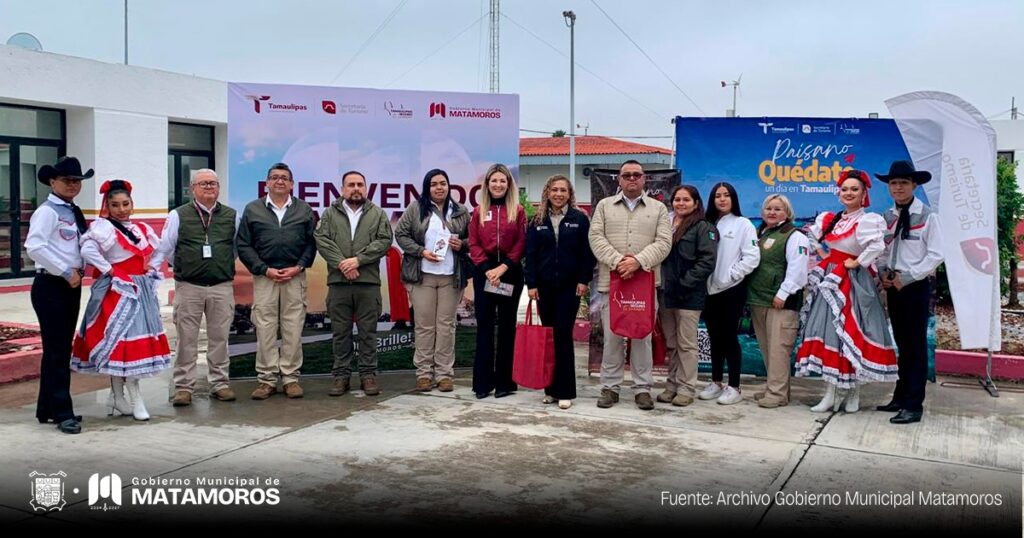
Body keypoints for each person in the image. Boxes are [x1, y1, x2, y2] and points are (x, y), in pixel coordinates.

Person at [795, 169, 898, 412]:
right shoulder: (832, 219)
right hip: (831, 279)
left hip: (853, 281)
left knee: (852, 333)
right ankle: (830, 393)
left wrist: (858, 261)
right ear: (839, 193)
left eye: (854, 189)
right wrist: (823, 255)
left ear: (863, 194)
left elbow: (877, 245)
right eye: (845, 189)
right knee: (830, 332)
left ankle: (854, 393)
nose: (848, 193)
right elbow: (811, 238)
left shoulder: (867, 220)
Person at [71, 180, 172, 421]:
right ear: (107, 205)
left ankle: (118, 396)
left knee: (129, 343)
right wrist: (110, 270)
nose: (121, 209)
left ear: (132, 204)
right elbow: (87, 251)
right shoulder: (103, 228)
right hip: (116, 291)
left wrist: (152, 269)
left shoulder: (141, 229)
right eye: (115, 204)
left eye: (125, 204)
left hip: (139, 289)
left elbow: (160, 250)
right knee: (117, 343)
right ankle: (129, 396)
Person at [150, 168, 239, 407]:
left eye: (213, 183)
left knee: (220, 338)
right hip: (189, 286)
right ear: (192, 189)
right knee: (186, 339)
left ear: (219, 188)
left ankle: (220, 383)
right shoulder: (178, 215)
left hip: (221, 286)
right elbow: (165, 249)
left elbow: (235, 249)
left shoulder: (232, 216)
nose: (209, 187)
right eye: (203, 184)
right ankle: (183, 386)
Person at [588, 160, 672, 411]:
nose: (632, 179)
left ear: (645, 179)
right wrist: (617, 262)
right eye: (627, 175)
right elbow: (595, 237)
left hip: (644, 284)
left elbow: (664, 243)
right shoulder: (604, 206)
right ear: (619, 180)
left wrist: (637, 262)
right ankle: (610, 387)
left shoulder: (658, 208)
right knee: (612, 337)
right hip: (611, 284)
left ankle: (642, 389)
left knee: (642, 337)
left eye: (637, 175)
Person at [237, 162, 317, 400]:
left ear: (292, 184)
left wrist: (299, 266)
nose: (279, 181)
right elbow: (243, 244)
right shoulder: (253, 209)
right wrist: (264, 269)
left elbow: (311, 243)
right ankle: (267, 380)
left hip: (295, 277)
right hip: (265, 278)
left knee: (293, 328)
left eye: (284, 178)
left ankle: (291, 378)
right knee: (265, 329)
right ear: (267, 183)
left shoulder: (303, 209)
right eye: (274, 177)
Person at [26, 156, 91, 434]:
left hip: (68, 286)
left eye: (76, 181)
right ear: (52, 182)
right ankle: (63, 412)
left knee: (59, 349)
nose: (72, 185)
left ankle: (48, 409)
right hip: (52, 285)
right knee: (57, 351)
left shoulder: (72, 211)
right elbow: (34, 247)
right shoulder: (48, 212)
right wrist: (67, 272)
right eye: (66, 180)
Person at [875, 160, 943, 425]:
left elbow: (937, 254)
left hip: (914, 286)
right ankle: (901, 396)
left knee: (915, 346)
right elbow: (881, 249)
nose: (898, 187)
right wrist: (883, 273)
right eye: (894, 183)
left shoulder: (928, 216)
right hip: (893, 285)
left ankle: (914, 405)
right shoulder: (887, 217)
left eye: (904, 182)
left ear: (914, 185)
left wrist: (910, 277)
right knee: (902, 344)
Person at [315, 170, 394, 397]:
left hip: (367, 284)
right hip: (339, 284)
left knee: (368, 332)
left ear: (366, 188)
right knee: (341, 333)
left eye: (360, 184)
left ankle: (368, 376)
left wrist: (358, 260)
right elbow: (322, 240)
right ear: (342, 189)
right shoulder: (329, 214)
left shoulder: (377, 214)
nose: (356, 188)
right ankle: (341, 376)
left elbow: (384, 241)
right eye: (351, 184)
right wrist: (343, 264)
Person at [394, 169, 471, 393]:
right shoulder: (415, 209)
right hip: (422, 276)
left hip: (451, 277)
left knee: (446, 327)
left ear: (449, 186)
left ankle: (444, 374)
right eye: (434, 184)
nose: (439, 188)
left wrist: (462, 244)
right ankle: (424, 374)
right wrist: (420, 251)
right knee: (425, 327)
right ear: (427, 187)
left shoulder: (460, 211)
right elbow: (401, 234)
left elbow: (472, 238)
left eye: (443, 183)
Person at [525, 174, 596, 410]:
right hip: (544, 288)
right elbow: (531, 256)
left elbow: (587, 254)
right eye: (554, 189)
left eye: (563, 190)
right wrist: (531, 284)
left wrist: (583, 280)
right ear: (547, 192)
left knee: (563, 336)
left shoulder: (579, 219)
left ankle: (565, 391)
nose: (558, 194)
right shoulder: (537, 220)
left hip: (570, 288)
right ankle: (550, 390)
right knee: (549, 338)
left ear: (569, 194)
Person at [468, 163, 527, 399]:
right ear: (487, 184)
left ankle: (505, 382)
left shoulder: (519, 211)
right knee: (484, 327)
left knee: (506, 328)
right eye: (494, 181)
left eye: (503, 181)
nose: (498, 184)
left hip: (510, 273)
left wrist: (504, 267)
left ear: (509, 184)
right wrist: (486, 269)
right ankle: (482, 383)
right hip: (485, 275)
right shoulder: (478, 210)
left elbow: (522, 243)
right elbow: (473, 243)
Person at [656, 185, 718, 407]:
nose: (680, 203)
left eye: (686, 200)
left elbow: (707, 261)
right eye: (677, 199)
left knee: (686, 344)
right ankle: (671, 384)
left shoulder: (703, 227)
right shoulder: (666, 225)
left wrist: (685, 282)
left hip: (689, 295)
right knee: (671, 343)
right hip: (666, 293)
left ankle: (686, 387)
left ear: (696, 203)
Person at [746, 194, 809, 409]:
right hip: (759, 301)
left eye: (778, 209)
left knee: (779, 349)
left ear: (787, 213)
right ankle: (774, 388)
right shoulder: (762, 233)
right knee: (767, 348)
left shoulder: (794, 236)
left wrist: (783, 293)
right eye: (769, 208)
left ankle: (777, 394)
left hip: (780, 302)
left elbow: (798, 271)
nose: (772, 212)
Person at [700, 182, 760, 405]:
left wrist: (732, 275)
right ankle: (716, 382)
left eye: (726, 195)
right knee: (714, 337)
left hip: (731, 289)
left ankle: (734, 386)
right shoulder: (708, 223)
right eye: (718, 196)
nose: (722, 199)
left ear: (734, 198)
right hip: (708, 290)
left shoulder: (743, 224)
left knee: (729, 337)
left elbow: (752, 257)